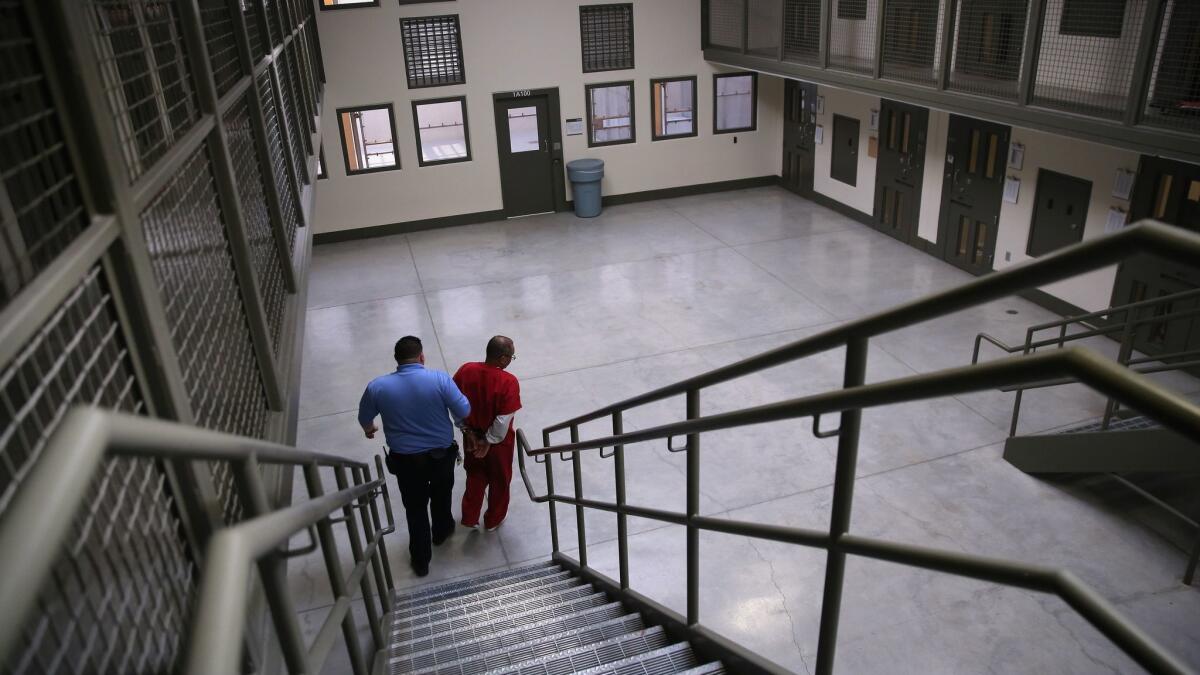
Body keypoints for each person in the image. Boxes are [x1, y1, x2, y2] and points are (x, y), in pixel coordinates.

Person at [358, 335, 469, 577]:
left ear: (396, 360)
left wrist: (370, 430)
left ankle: (421, 560)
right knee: (442, 493)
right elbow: (463, 410)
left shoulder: (377, 386)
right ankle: (441, 531)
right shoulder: (439, 379)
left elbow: (364, 417)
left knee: (415, 508)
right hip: (441, 457)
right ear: (422, 357)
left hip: (406, 462)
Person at [453, 336, 522, 532]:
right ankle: (493, 520)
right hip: (498, 445)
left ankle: (470, 517)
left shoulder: (466, 370)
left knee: (474, 475)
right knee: (500, 481)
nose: (511, 360)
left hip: (471, 437)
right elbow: (502, 420)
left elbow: (454, 403)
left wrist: (466, 431)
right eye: (511, 356)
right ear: (502, 358)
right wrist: (488, 441)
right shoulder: (508, 382)